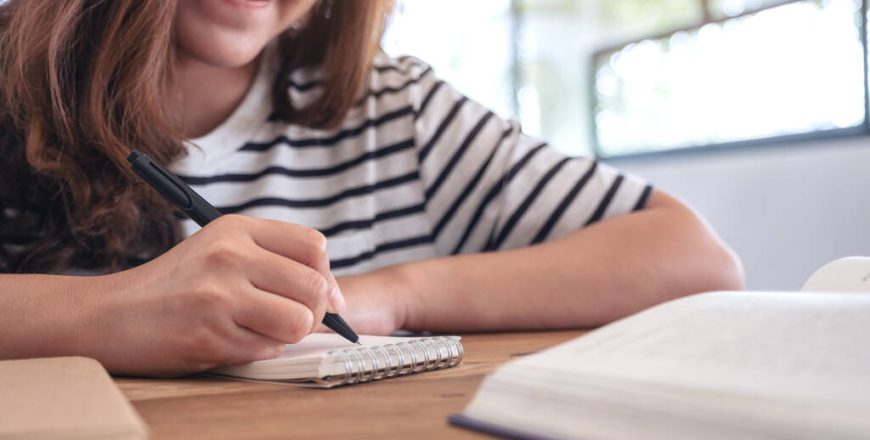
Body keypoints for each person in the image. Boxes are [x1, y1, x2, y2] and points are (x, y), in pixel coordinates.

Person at [0, 0, 743, 376]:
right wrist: (114, 311)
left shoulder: (392, 111)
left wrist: (389, 294)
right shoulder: (13, 86)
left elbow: (697, 262)